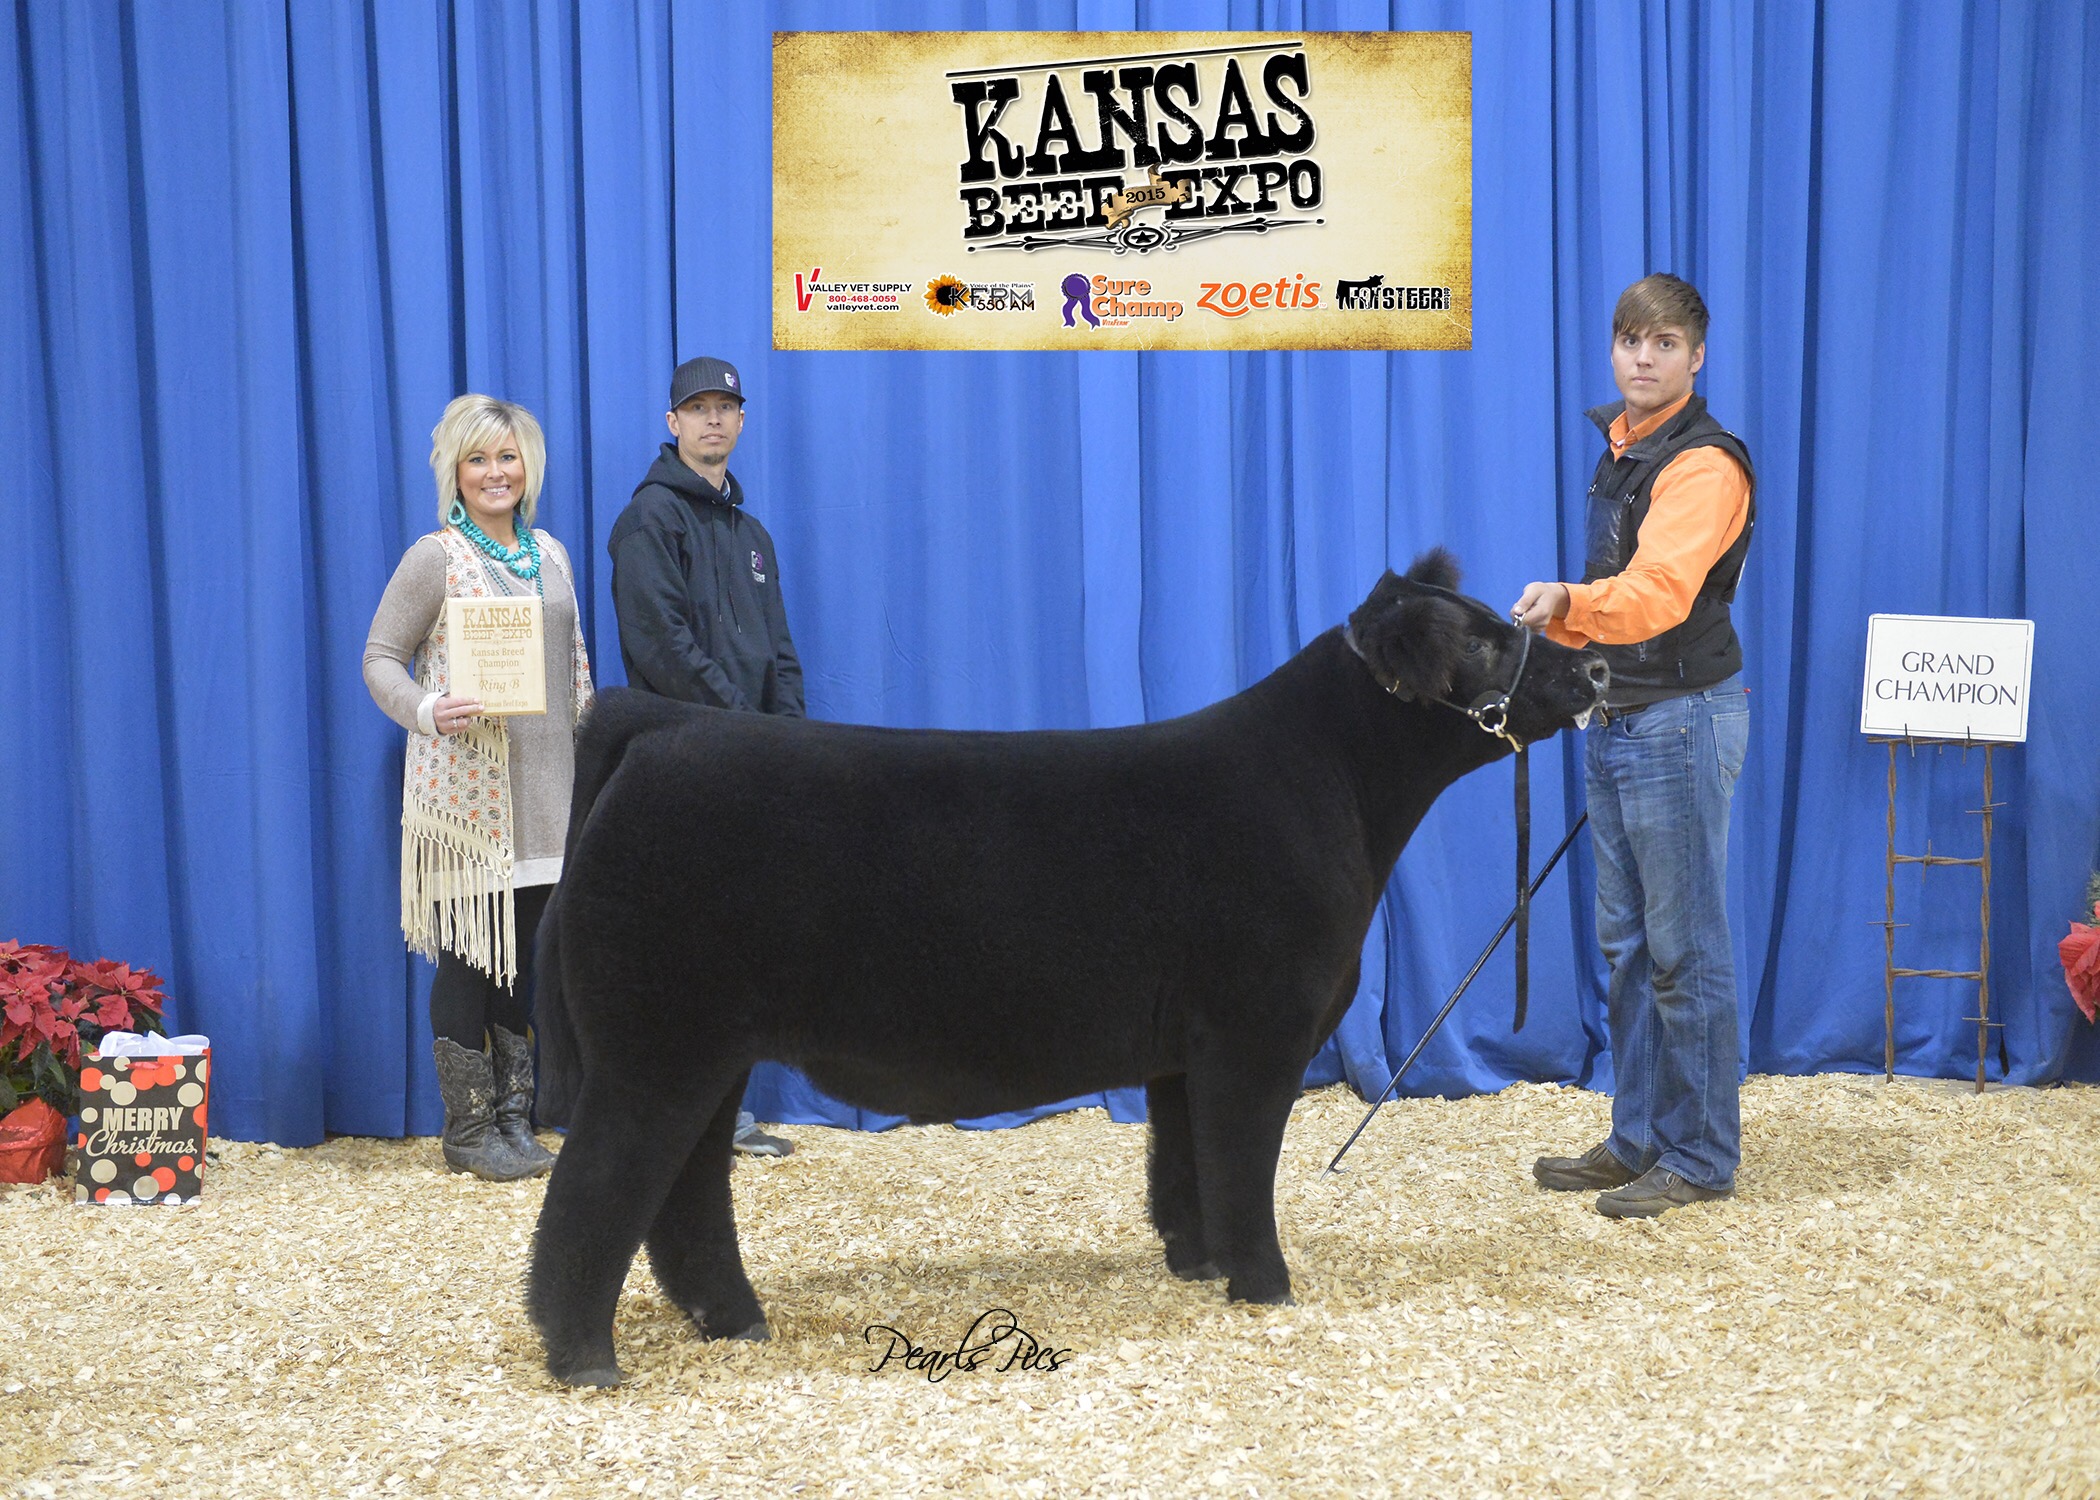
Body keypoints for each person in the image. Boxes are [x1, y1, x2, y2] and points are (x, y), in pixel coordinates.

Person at [1514, 273, 1755, 1219]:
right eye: (1629, 340)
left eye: (1663, 344)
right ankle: (1640, 1138)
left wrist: (1567, 604)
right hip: (1620, 715)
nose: (1643, 359)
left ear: (1697, 357)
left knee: (1683, 951)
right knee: (1628, 948)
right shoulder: (1623, 449)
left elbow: (1657, 594)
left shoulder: (1703, 465)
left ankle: (1700, 1157)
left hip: (1681, 719)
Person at [364, 394, 594, 1181]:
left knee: (521, 960)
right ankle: (467, 1131)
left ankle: (512, 1120)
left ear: (529, 465)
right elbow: (379, 657)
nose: (496, 472)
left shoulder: (551, 553)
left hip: (549, 794)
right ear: (454, 472)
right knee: (469, 958)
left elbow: (575, 673)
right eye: (478, 459)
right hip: (466, 801)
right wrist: (427, 710)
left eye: (508, 456)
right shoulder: (434, 557)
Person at [607, 355, 799, 1157]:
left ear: (742, 421)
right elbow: (662, 646)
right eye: (698, 408)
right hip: (684, 761)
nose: (713, 419)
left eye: (726, 407)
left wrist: (792, 742)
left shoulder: (752, 537)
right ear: (672, 422)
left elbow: (780, 653)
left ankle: (722, 1114)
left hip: (752, 765)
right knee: (681, 944)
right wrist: (744, 729)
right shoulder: (649, 520)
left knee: (734, 943)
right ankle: (671, 1115)